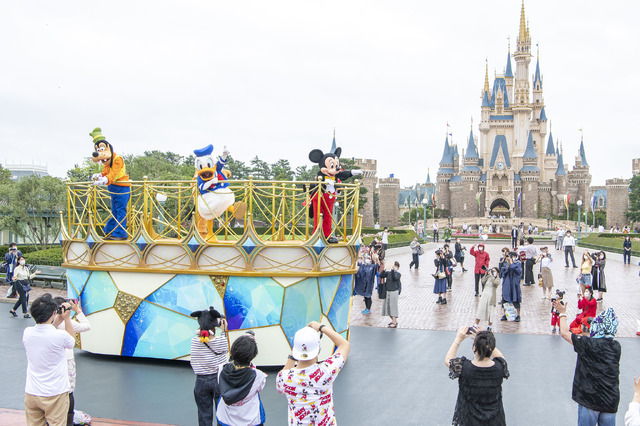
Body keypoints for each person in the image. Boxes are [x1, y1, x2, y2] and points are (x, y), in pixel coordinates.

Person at [553, 303, 621, 425]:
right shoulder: (616, 347)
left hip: (590, 400)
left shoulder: (587, 344)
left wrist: (562, 313)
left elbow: (564, 332)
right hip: (610, 402)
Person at [276, 321, 350, 426]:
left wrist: (296, 351)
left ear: (295, 350)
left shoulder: (284, 378)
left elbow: (280, 385)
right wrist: (321, 327)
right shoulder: (326, 371)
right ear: (318, 349)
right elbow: (344, 344)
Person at [23, 293, 76, 426]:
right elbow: (72, 342)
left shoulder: (27, 332)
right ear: (53, 313)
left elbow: (46, 330)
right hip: (55, 393)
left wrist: (56, 318)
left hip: (32, 392)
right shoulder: (60, 336)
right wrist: (67, 319)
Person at [445, 326, 509, 426]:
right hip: (495, 421)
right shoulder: (500, 367)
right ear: (491, 348)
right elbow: (500, 357)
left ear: (474, 348)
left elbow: (448, 359)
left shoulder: (463, 367)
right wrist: (487, 340)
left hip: (469, 421)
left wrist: (457, 340)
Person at [189, 306, 229, 426]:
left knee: (204, 415)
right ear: (214, 325)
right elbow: (225, 351)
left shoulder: (194, 341)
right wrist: (224, 330)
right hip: (218, 380)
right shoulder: (221, 341)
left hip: (200, 381)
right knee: (221, 414)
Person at [53, 297, 90, 426]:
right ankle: (68, 419)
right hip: (67, 360)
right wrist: (78, 311)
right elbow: (86, 326)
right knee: (69, 391)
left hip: (53, 362)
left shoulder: (49, 324)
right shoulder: (68, 323)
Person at [216, 333, 266, 426]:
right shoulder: (258, 376)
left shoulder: (221, 369)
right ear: (253, 355)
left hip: (225, 419)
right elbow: (259, 388)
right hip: (250, 420)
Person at [500, 251, 523, 322]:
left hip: (514, 284)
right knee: (505, 299)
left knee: (516, 299)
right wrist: (507, 264)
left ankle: (518, 315)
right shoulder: (505, 263)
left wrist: (511, 263)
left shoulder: (518, 263)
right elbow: (503, 272)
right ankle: (505, 314)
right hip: (507, 284)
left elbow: (518, 271)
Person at [380, 261, 401, 327]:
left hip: (394, 291)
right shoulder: (388, 273)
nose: (395, 267)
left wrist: (392, 270)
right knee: (387, 307)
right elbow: (381, 275)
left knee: (393, 307)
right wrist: (385, 269)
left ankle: (394, 322)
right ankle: (393, 320)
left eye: (396, 266)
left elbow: (395, 278)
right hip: (387, 291)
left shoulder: (398, 274)